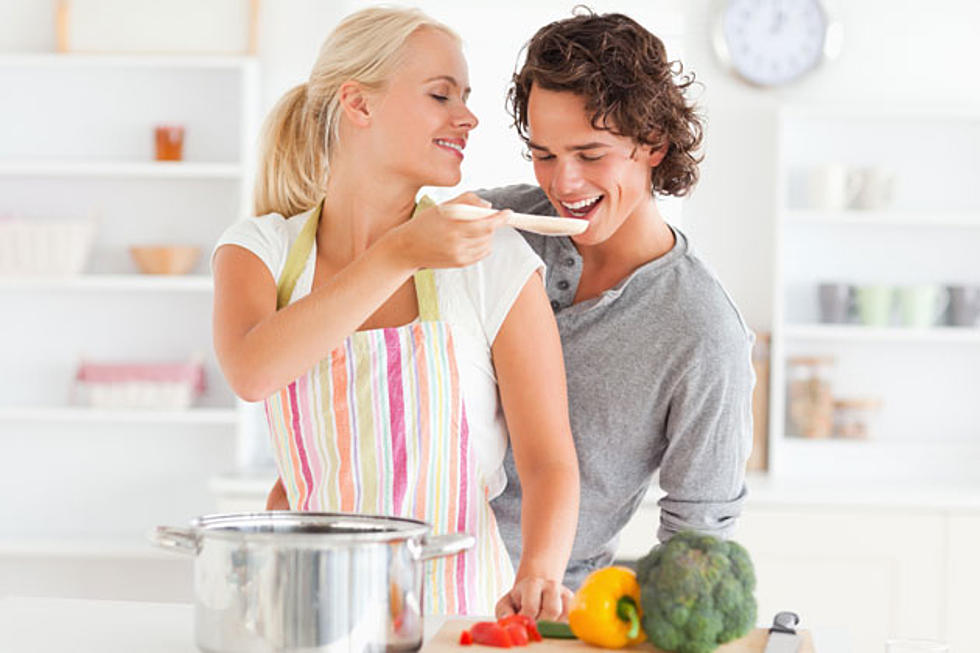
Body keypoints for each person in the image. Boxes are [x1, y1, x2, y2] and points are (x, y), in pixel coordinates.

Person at [212, 7, 578, 618]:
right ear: (358, 104)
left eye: (465, 96)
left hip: (460, 609)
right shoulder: (259, 251)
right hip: (311, 606)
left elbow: (548, 460)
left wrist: (540, 572)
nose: (467, 116)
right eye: (441, 95)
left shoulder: (492, 258)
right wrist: (401, 252)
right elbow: (253, 371)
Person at [481, 9, 755, 603]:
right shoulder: (496, 230)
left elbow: (698, 542)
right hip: (409, 580)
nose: (565, 183)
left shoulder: (702, 332)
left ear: (652, 143)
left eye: (591, 153)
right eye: (544, 153)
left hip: (542, 615)